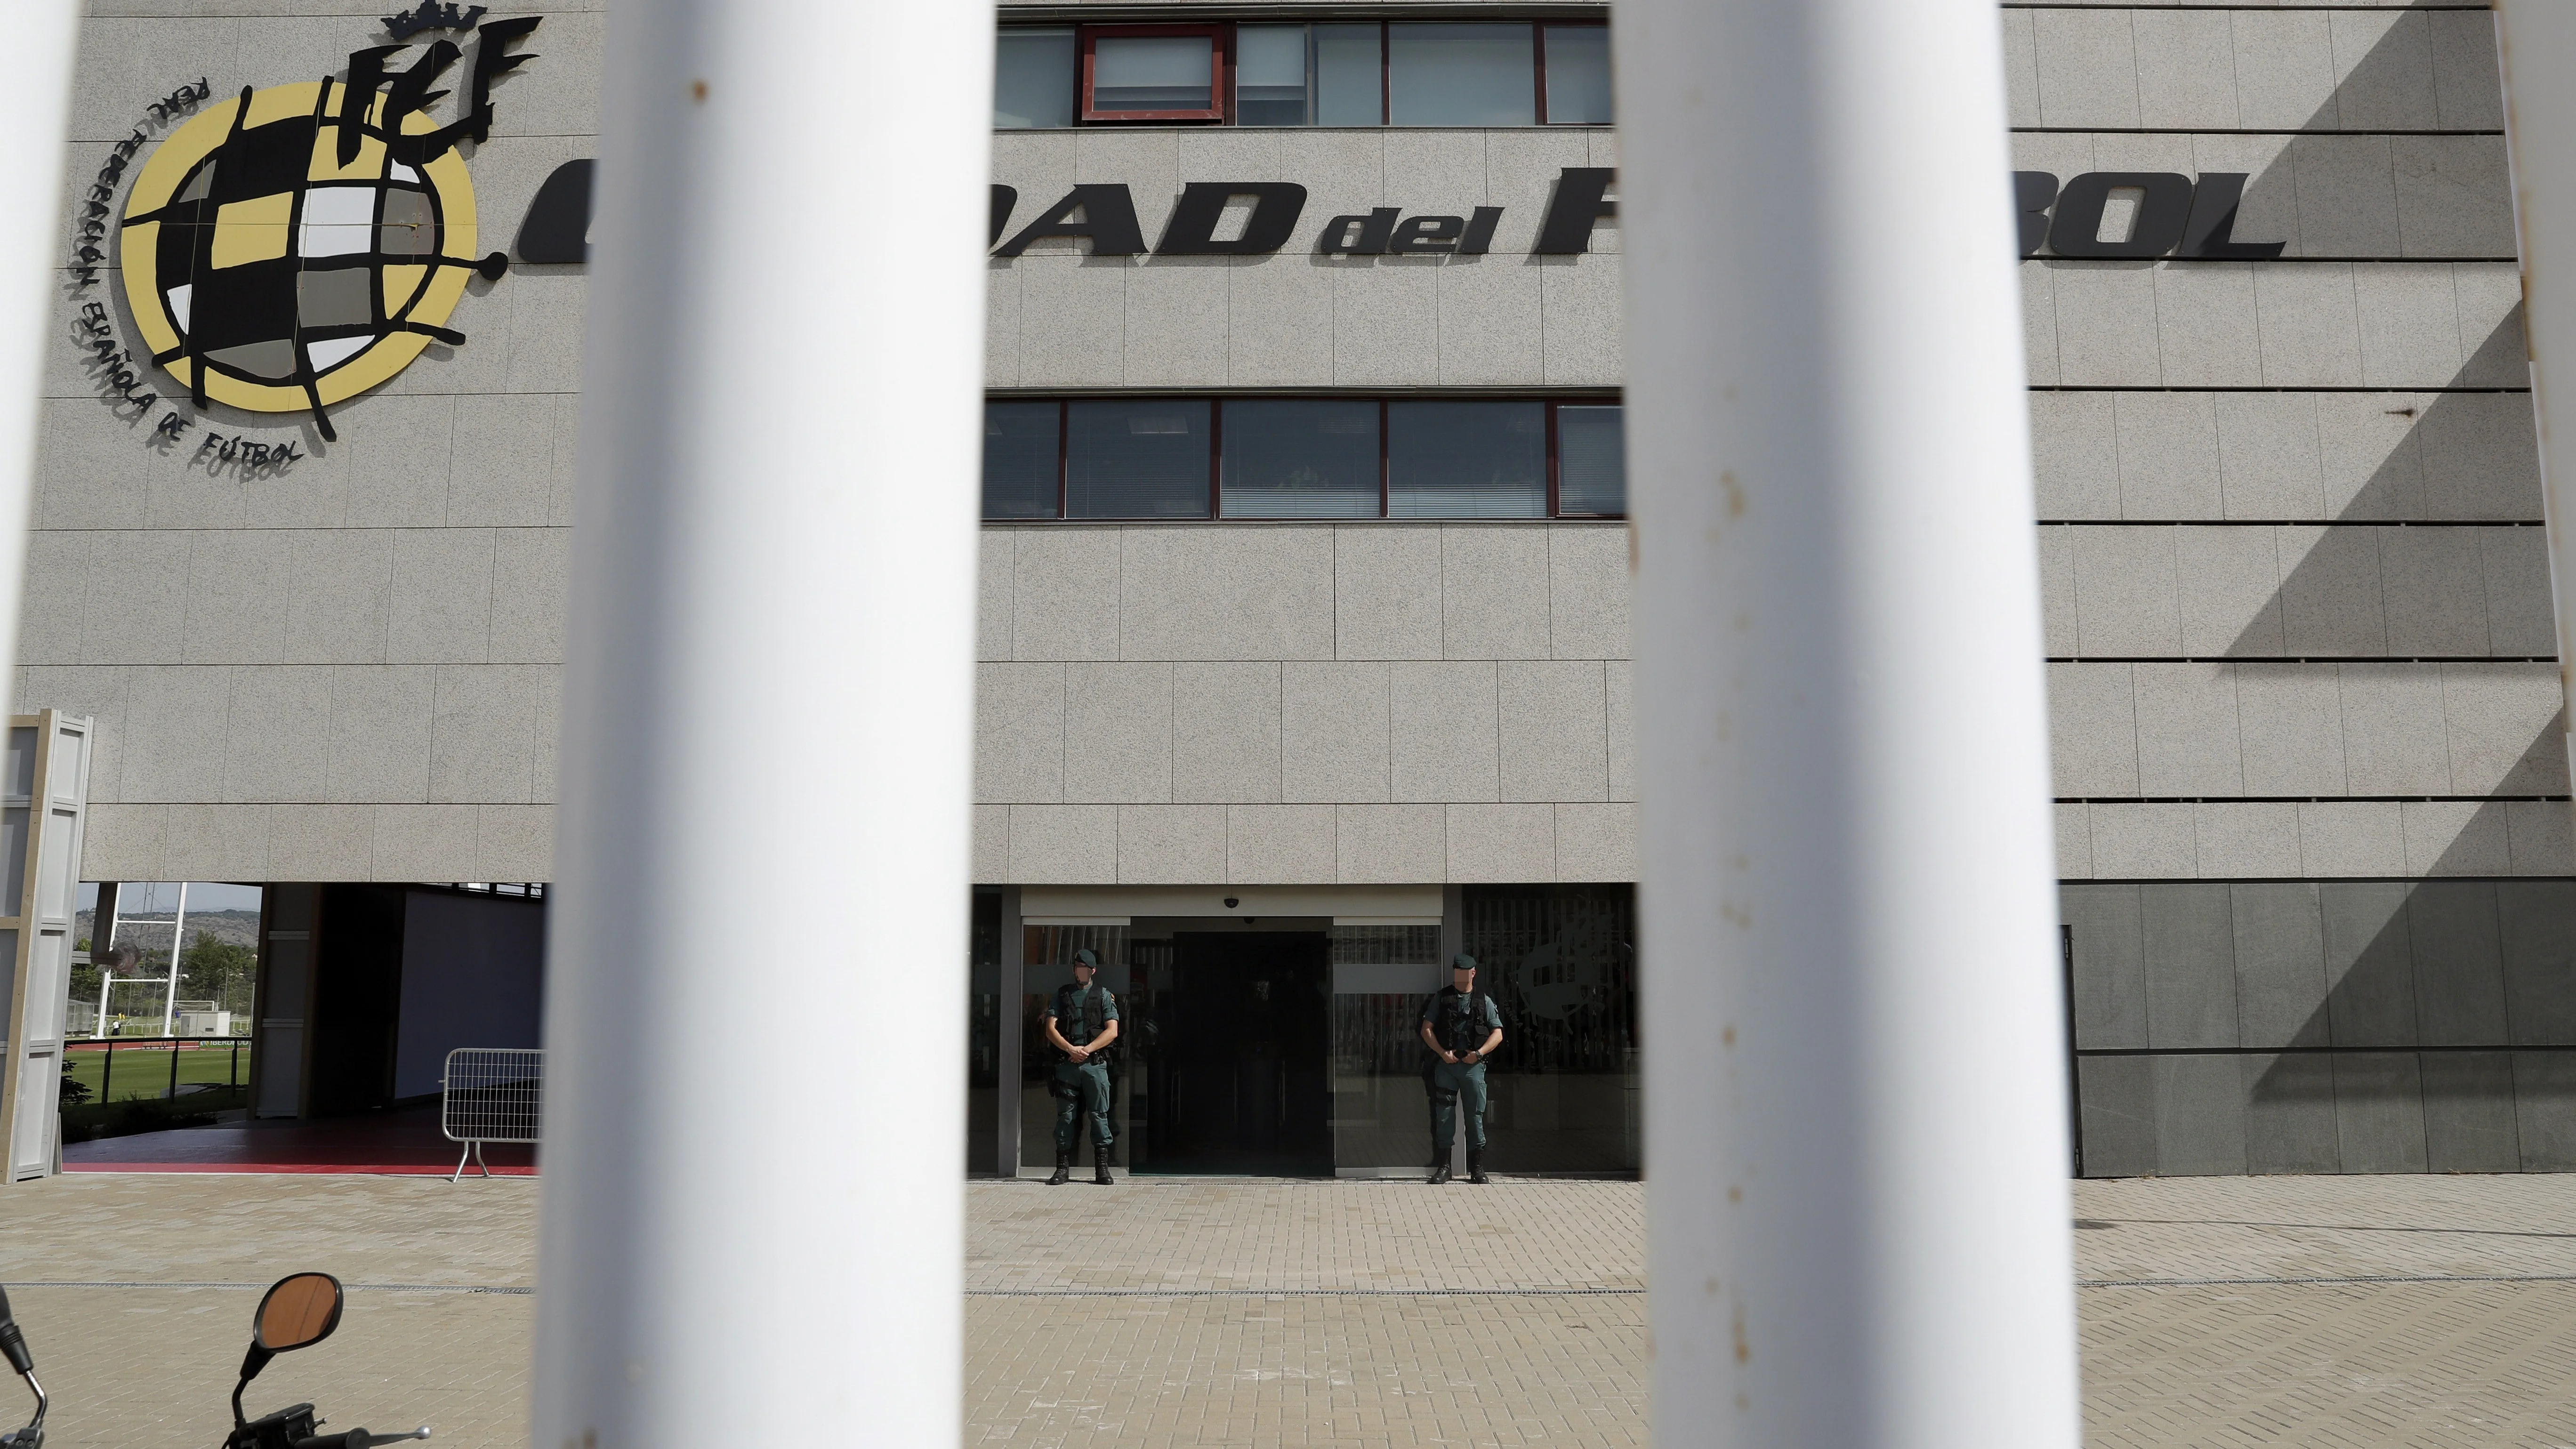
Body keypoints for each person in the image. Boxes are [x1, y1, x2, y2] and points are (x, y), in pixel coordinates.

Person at [1419, 952, 1504, 1184]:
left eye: (1464, 973)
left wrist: (1478, 1054)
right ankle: (1445, 1167)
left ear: (1473, 973)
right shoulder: (1442, 998)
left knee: (1475, 1117)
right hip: (1447, 1067)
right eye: (1457, 972)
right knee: (1444, 1117)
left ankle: (1477, 1168)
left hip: (1472, 1068)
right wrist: (1442, 1053)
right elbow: (1426, 1029)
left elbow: (1498, 1034)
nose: (1460, 976)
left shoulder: (1483, 1000)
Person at [1044, 947, 1120, 1185]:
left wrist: (1087, 1050)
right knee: (1066, 1118)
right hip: (1068, 1065)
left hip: (1094, 1065)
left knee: (1099, 1116)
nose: (1081, 973)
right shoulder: (1062, 994)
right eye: (1078, 969)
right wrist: (1070, 1049)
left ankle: (1102, 1170)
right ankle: (1062, 1169)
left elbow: (1113, 1031)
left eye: (1085, 969)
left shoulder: (1104, 995)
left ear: (1093, 971)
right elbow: (1050, 1029)